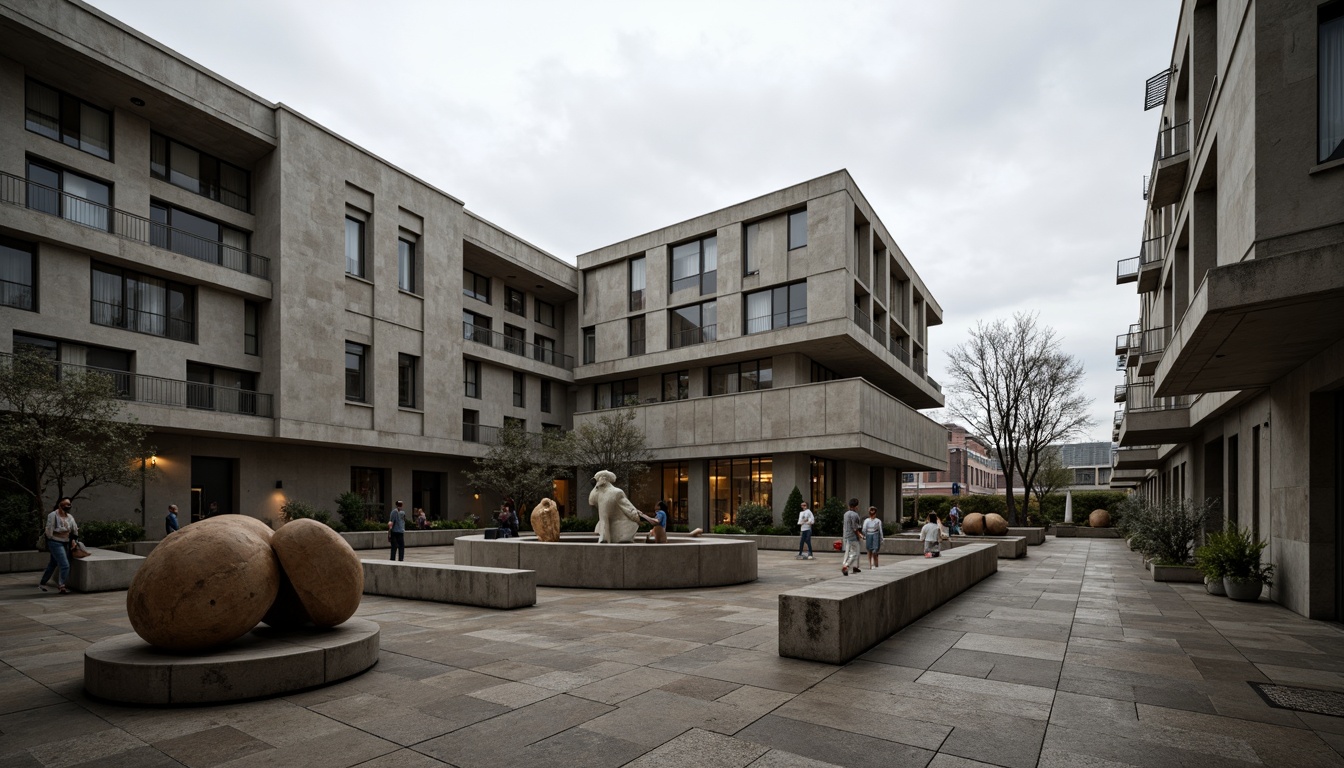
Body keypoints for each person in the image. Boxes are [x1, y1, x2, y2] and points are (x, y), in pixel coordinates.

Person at [39, 497, 78, 593]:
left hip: (66, 542)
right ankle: (61, 585)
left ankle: (42, 583)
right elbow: (49, 530)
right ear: (60, 505)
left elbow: (74, 529)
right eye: (65, 504)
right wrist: (53, 538)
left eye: (69, 504)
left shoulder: (69, 517)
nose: (68, 506)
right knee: (65, 564)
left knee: (53, 563)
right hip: (55, 542)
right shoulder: (53, 515)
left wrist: (74, 540)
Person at [841, 498, 863, 576]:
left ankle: (854, 566)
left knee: (847, 552)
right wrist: (860, 535)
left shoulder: (845, 514)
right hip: (853, 536)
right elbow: (855, 528)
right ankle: (846, 566)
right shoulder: (855, 515)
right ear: (856, 506)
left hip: (846, 535)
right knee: (855, 553)